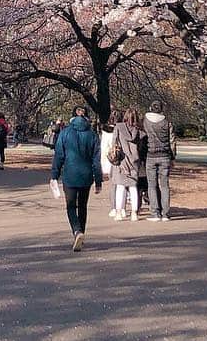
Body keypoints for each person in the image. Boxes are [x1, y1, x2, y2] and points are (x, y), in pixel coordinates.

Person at [50, 107, 103, 251]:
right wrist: (98, 180)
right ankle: (81, 234)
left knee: (71, 206)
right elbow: (96, 160)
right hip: (86, 176)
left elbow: (59, 155)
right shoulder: (92, 135)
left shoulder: (65, 133)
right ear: (87, 118)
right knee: (83, 206)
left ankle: (77, 231)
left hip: (70, 175)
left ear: (72, 117)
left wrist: (54, 175)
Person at [143, 102, 174, 221]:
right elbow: (172, 140)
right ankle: (165, 213)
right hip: (165, 156)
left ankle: (155, 213)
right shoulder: (167, 122)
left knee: (152, 185)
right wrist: (173, 157)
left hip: (150, 156)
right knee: (165, 185)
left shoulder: (145, 120)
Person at [111, 109, 143, 220]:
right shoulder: (138, 130)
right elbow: (141, 146)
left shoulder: (118, 127)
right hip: (134, 160)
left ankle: (119, 212)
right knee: (133, 187)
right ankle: (134, 213)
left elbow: (113, 143)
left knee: (120, 187)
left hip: (121, 160)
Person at [100, 114, 117, 217]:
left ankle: (114, 208)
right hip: (122, 160)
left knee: (114, 185)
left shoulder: (105, 133)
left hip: (110, 160)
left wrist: (103, 166)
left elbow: (104, 149)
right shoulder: (123, 129)